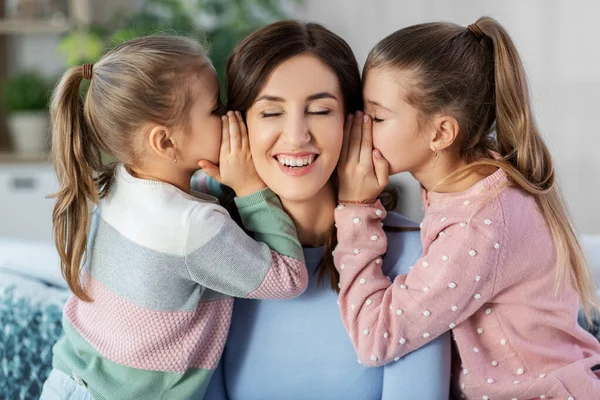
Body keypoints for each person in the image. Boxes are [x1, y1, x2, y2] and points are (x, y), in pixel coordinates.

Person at [333, 17, 600, 399]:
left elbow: (376, 338)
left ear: (441, 133)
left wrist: (355, 207)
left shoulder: (477, 225)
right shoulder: (477, 175)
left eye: (376, 116)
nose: (359, 126)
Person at [40, 35, 307, 400]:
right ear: (164, 143)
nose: (232, 115)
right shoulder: (193, 227)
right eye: (216, 109)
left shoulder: (121, 180)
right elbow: (288, 280)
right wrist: (250, 189)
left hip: (65, 382)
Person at [203, 21, 451, 400]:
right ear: (237, 126)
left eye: (320, 110)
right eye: (271, 113)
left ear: (355, 123)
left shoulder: (422, 257)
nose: (297, 135)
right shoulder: (208, 252)